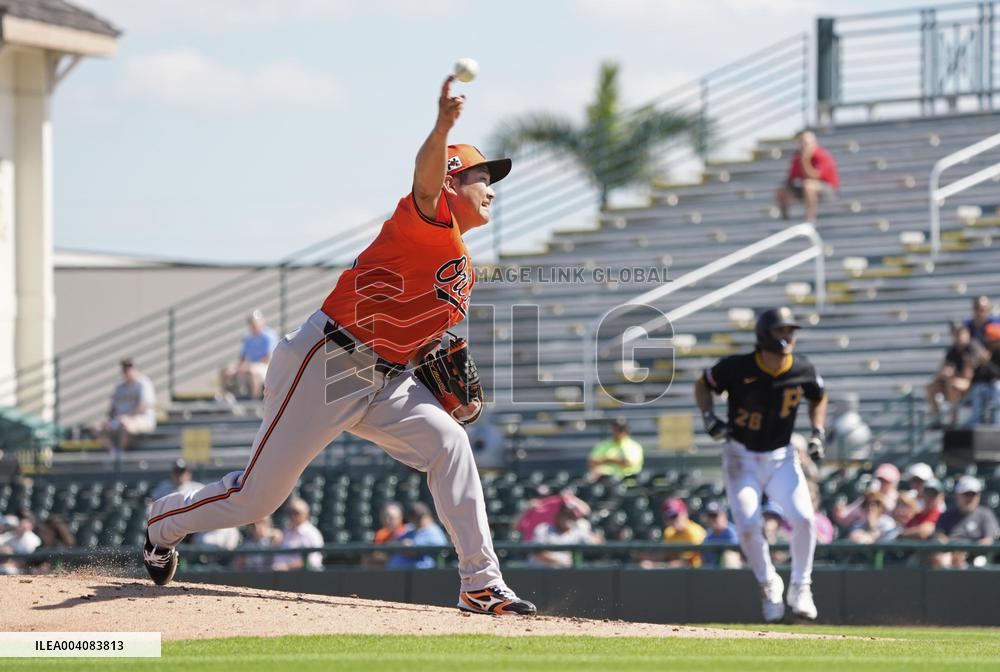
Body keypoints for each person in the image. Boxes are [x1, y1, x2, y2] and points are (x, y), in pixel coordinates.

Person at [143, 75, 536, 615]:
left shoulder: (462, 268)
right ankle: (164, 522)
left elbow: (422, 341)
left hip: (386, 379)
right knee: (259, 498)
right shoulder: (425, 223)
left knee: (450, 444)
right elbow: (424, 183)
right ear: (450, 183)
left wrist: (444, 377)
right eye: (479, 177)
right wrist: (444, 126)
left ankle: (480, 582)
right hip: (326, 363)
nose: (491, 188)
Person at [695, 306, 828, 622]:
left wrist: (818, 431)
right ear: (765, 335)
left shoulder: (802, 368)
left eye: (790, 331)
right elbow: (703, 384)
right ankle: (769, 584)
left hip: (781, 456)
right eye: (781, 331)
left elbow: (819, 395)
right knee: (748, 524)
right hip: (741, 456)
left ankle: (801, 586)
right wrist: (708, 416)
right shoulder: (738, 367)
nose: (788, 337)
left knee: (805, 519)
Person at [933, 476, 999, 569]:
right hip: (949, 554)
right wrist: (952, 550)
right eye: (966, 494)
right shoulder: (947, 515)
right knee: (936, 558)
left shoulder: (985, 514)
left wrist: (966, 553)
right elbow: (939, 535)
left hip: (974, 557)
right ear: (957, 495)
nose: (970, 498)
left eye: (973, 494)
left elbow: (988, 541)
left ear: (978, 496)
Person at [775, 130, 840, 223]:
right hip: (806, 188)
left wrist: (805, 160)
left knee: (809, 186)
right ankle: (785, 220)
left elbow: (814, 176)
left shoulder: (822, 155)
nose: (803, 146)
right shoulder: (798, 157)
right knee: (781, 190)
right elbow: (791, 178)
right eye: (802, 143)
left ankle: (810, 219)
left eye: (806, 143)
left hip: (828, 190)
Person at [95, 358, 156, 455]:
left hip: (141, 419)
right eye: (125, 369)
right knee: (98, 428)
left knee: (125, 424)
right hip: (121, 420)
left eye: (130, 368)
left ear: (135, 369)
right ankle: (114, 453)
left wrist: (127, 417)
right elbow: (112, 409)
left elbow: (143, 406)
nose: (128, 371)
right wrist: (109, 421)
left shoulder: (143, 383)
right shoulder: (119, 387)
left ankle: (121, 455)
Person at [219, 310, 279, 400]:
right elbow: (243, 356)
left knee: (252, 372)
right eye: (251, 323)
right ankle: (225, 397)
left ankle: (253, 401)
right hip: (250, 365)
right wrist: (238, 366)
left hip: (266, 367)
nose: (252, 325)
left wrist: (248, 366)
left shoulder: (269, 336)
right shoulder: (248, 337)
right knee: (225, 370)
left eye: (254, 323)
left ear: (261, 323)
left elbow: (268, 357)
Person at [926, 323, 975, 428]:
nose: (958, 336)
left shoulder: (971, 349)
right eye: (956, 333)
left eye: (960, 333)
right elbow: (942, 369)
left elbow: (968, 376)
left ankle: (953, 420)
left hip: (972, 384)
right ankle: (936, 419)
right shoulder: (952, 351)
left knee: (952, 384)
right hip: (953, 381)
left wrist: (951, 375)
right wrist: (943, 373)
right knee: (931, 387)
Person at [529, 499, 602, 568]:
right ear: (558, 516)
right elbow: (538, 553)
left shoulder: (577, 531)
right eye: (566, 515)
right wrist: (560, 561)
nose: (569, 518)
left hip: (564, 574)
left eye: (572, 516)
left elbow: (598, 543)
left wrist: (588, 529)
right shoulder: (543, 529)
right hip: (540, 574)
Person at [833, 463, 900, 528]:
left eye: (886, 481)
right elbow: (847, 515)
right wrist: (840, 512)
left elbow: (895, 513)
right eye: (880, 480)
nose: (882, 483)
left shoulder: (898, 498)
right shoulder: (869, 497)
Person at [387, 503, 449, 569]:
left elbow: (441, 547)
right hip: (400, 572)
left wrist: (411, 546)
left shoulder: (433, 531)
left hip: (425, 573)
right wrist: (402, 544)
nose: (416, 520)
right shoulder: (410, 528)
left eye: (419, 517)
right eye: (413, 516)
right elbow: (393, 543)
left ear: (427, 516)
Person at [273, 498, 324, 571]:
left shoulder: (312, 533)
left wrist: (288, 566)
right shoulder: (286, 532)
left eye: (296, 512)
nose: (292, 516)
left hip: (305, 576)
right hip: (283, 576)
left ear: (306, 514)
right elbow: (278, 559)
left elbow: (314, 560)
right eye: (289, 512)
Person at [967, 322, 1000, 426]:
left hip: (996, 385)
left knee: (997, 388)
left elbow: (998, 374)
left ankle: (997, 423)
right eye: (990, 340)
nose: (992, 343)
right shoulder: (982, 351)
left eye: (995, 341)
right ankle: (975, 424)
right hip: (982, 384)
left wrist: (987, 362)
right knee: (978, 388)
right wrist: (977, 363)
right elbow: (976, 377)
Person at [701, 501, 741, 568]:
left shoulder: (733, 532)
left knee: (729, 556)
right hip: (711, 574)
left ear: (724, 516)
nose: (712, 519)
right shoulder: (707, 535)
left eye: (715, 515)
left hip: (732, 573)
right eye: (710, 516)